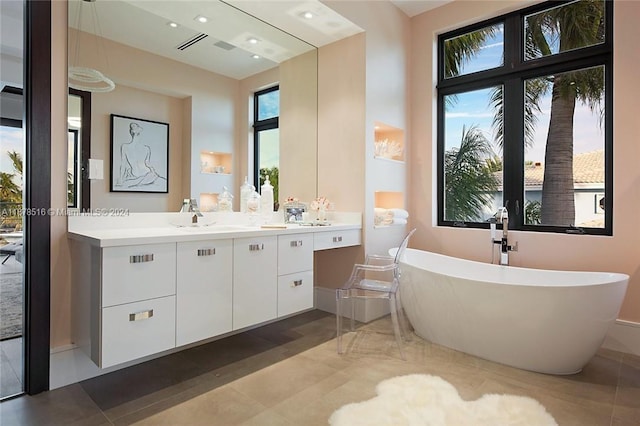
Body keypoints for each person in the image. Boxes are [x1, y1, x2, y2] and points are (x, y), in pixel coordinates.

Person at [116, 122, 166, 188]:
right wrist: (121, 179)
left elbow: (123, 165)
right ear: (140, 134)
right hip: (143, 175)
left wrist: (121, 179)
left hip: (148, 175)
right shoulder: (144, 148)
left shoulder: (126, 147)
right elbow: (123, 165)